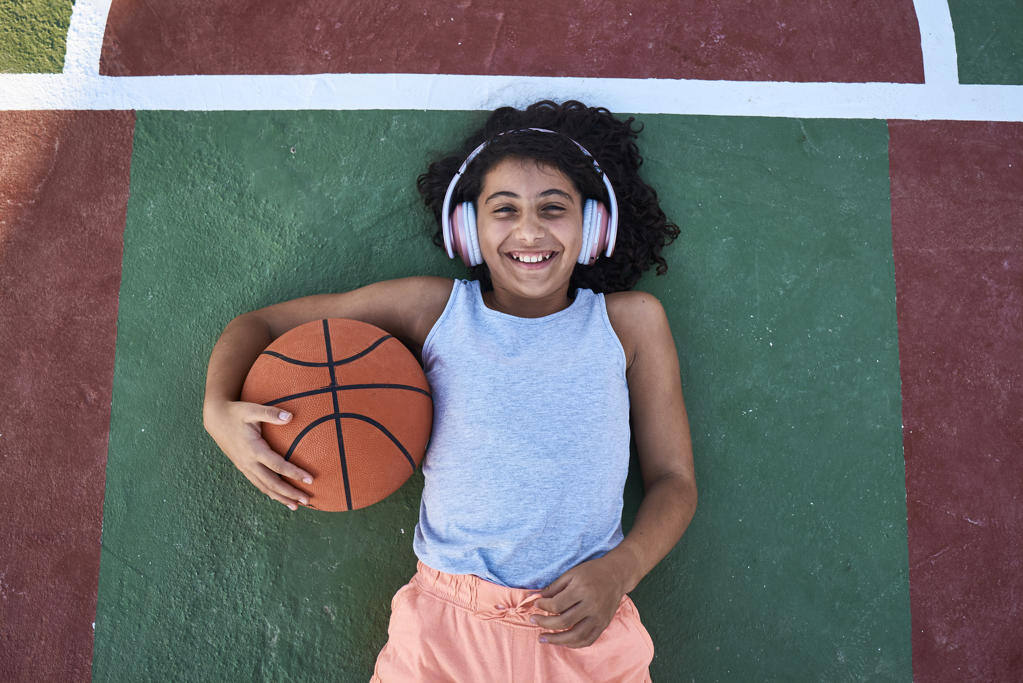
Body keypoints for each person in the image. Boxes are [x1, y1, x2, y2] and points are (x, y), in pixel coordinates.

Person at [203, 100, 697, 682]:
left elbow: (675, 482)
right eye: (504, 209)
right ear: (467, 227)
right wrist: (218, 411)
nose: (529, 230)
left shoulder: (631, 324)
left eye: (554, 209)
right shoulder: (434, 311)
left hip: (584, 625)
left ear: (594, 224)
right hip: (444, 632)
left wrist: (623, 569)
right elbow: (258, 326)